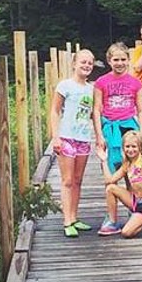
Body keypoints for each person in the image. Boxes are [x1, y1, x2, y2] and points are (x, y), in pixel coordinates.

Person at [93, 42, 142, 235]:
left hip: (129, 128)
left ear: (128, 60)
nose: (120, 63)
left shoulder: (135, 82)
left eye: (123, 59)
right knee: (113, 172)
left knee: (133, 173)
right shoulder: (101, 82)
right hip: (110, 129)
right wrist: (99, 135)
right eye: (116, 59)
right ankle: (112, 218)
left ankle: (138, 212)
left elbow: (141, 109)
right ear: (109, 61)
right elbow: (97, 109)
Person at [49, 49, 100, 238]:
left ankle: (75, 217)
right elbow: (54, 111)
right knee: (67, 180)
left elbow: (94, 114)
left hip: (84, 138)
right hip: (66, 137)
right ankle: (67, 220)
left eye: (90, 63)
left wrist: (99, 136)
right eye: (83, 62)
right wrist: (56, 137)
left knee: (78, 180)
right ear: (74, 63)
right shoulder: (65, 85)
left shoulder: (90, 88)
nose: (86, 66)